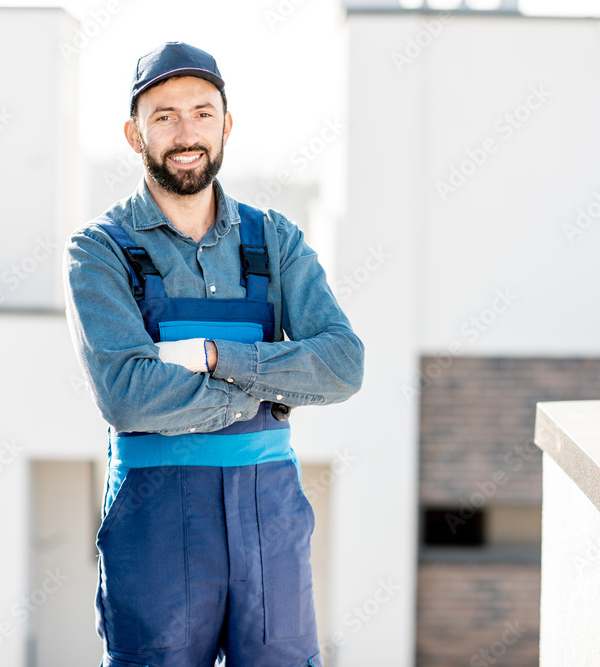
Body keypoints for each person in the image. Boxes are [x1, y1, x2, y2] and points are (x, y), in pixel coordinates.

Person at [64, 41, 364, 667]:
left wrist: (208, 356)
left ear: (226, 124)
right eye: (164, 115)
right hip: (155, 512)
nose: (186, 132)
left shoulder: (273, 239)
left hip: (270, 511)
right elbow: (126, 394)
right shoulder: (99, 252)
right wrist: (270, 381)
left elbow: (340, 365)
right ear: (133, 133)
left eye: (203, 112)